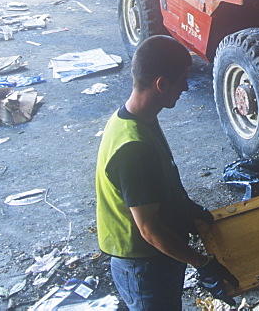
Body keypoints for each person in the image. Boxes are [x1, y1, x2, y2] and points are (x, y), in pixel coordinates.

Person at [95, 35, 237, 309]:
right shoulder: (134, 148)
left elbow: (154, 183)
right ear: (161, 84)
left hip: (151, 260)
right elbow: (150, 231)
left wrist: (185, 207)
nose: (185, 87)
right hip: (144, 264)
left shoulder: (134, 119)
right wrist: (203, 264)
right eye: (182, 79)